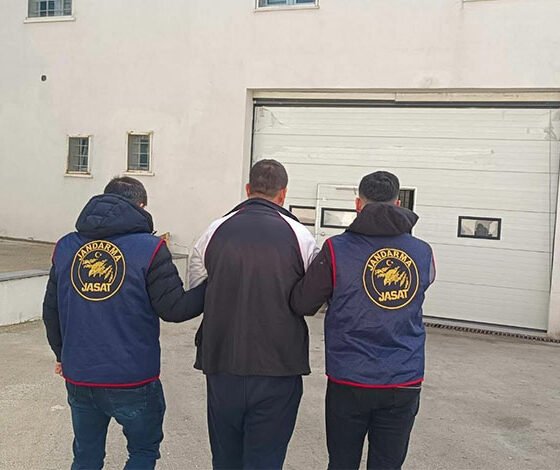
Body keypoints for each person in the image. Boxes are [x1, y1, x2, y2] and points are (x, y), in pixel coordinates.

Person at [42, 176, 207, 470]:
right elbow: (174, 308)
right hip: (133, 377)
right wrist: (213, 285)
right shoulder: (150, 248)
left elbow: (50, 310)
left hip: (80, 375)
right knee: (142, 451)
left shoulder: (66, 247)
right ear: (140, 206)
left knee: (86, 456)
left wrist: (61, 355)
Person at [290, 171, 436, 470]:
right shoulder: (422, 252)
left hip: (350, 378)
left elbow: (303, 303)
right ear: (398, 203)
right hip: (403, 377)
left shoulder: (336, 249)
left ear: (358, 203)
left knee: (342, 463)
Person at [188, 159, 319, 470]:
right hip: (279, 367)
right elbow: (311, 298)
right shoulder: (301, 236)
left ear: (248, 189)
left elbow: (197, 288)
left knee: (225, 459)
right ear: (283, 194)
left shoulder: (212, 232)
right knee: (266, 460)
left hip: (222, 364)